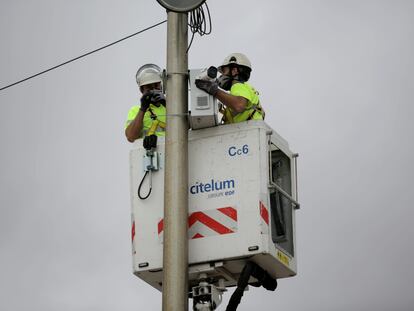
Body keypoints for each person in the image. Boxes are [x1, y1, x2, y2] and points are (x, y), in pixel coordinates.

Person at [195, 53, 265, 124]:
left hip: (250, 130)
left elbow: (239, 105)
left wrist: (214, 90)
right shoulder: (245, 88)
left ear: (234, 71)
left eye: (224, 71)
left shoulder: (237, 85)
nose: (222, 76)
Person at [125, 67, 166, 143]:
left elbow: (187, 127)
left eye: (156, 85)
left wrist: (166, 104)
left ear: (161, 85)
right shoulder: (135, 110)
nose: (153, 89)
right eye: (149, 87)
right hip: (150, 152)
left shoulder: (173, 107)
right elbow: (131, 137)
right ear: (141, 90)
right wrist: (143, 109)